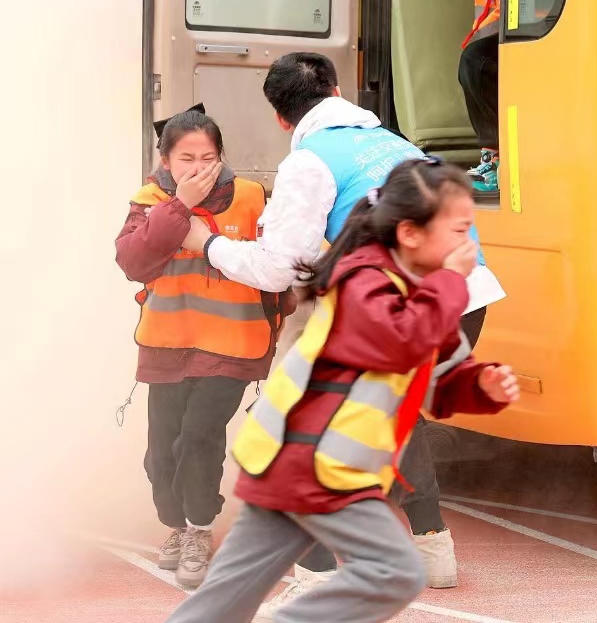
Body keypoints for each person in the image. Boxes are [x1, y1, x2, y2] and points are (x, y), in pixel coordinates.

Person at [180, 52, 506, 613]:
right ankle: (433, 549)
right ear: (336, 91)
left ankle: (315, 574)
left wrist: (206, 243)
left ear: (280, 117)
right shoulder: (394, 144)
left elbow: (278, 267)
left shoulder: (309, 163)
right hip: (466, 297)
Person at [114, 105, 287, 590]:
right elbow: (132, 262)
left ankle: (198, 529)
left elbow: (277, 264)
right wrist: (180, 206)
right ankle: (175, 523)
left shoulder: (251, 196)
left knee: (198, 439)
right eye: (186, 159)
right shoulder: (149, 200)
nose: (198, 168)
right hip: (167, 344)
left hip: (233, 345)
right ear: (165, 161)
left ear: (221, 156)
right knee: (160, 455)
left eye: (207, 158)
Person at [439, 0, 560, 196]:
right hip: (500, 31)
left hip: (542, 29)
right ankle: (493, 157)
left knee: (475, 63)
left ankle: (495, 158)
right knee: (474, 65)